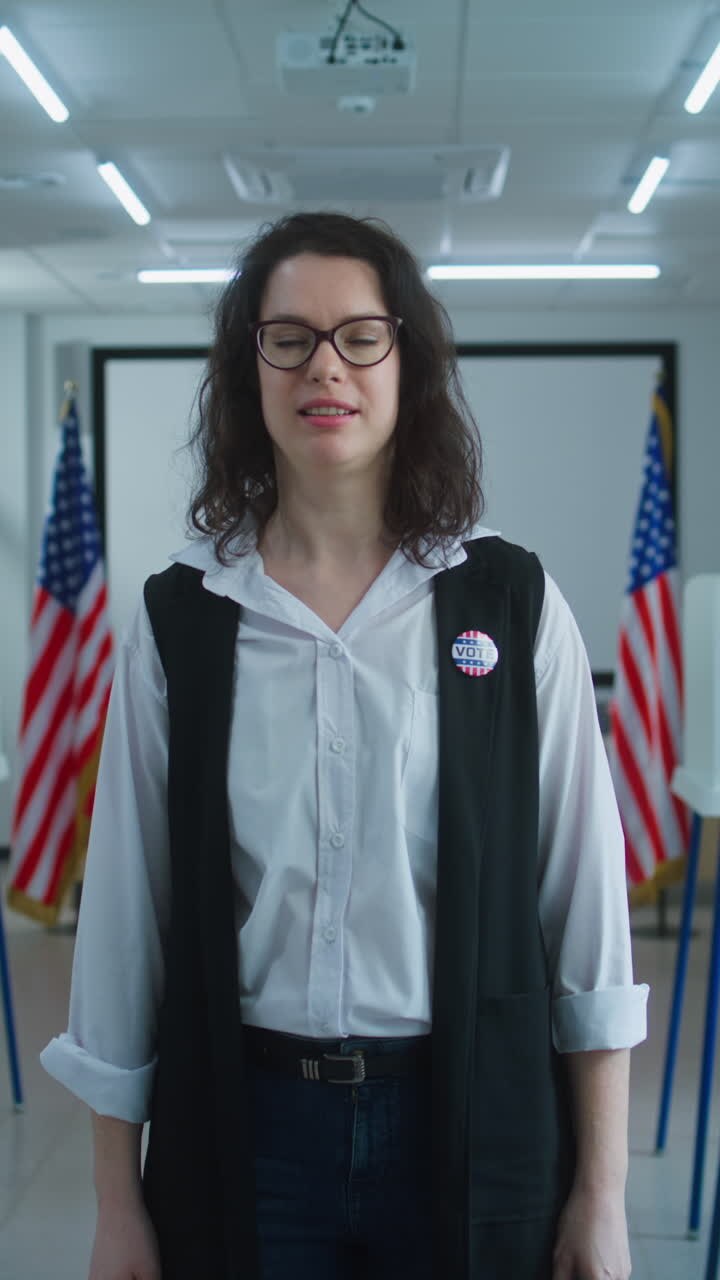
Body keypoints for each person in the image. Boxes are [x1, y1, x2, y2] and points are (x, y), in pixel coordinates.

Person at [41, 210, 648, 1280]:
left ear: (407, 361)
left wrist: (602, 1194)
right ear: (251, 368)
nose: (327, 365)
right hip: (248, 1125)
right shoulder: (181, 619)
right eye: (290, 336)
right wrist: (114, 1200)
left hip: (473, 1122)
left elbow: (586, 914)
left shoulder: (510, 600)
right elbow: (130, 921)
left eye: (361, 334)